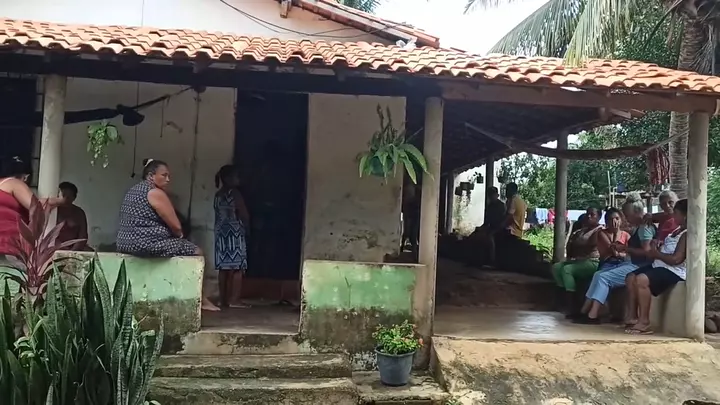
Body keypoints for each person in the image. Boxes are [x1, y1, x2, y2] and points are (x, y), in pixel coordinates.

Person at [116, 158, 220, 311]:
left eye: (168, 176)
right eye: (164, 175)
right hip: (146, 243)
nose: (168, 179)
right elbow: (176, 226)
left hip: (125, 242)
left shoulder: (134, 190)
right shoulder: (155, 192)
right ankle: (202, 299)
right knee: (197, 251)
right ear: (151, 176)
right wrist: (180, 236)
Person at [624, 198, 688, 335]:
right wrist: (658, 243)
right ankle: (632, 317)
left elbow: (676, 259)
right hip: (660, 265)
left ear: (685, 215)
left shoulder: (686, 234)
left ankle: (644, 321)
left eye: (676, 213)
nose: (673, 215)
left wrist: (656, 254)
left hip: (674, 271)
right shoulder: (678, 229)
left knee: (641, 279)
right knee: (630, 277)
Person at [0, 156, 65, 260]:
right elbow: (36, 207)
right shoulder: (14, 183)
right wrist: (61, 200)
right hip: (7, 246)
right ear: (26, 177)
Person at [573, 207, 631, 324]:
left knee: (600, 277)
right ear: (606, 221)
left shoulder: (626, 235)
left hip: (621, 265)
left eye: (617, 219)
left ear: (621, 220)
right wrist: (618, 243)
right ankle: (584, 311)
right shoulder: (602, 233)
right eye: (611, 219)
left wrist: (620, 252)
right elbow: (613, 249)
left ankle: (589, 313)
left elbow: (622, 254)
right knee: (598, 276)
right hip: (607, 264)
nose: (614, 222)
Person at [552, 207, 602, 316]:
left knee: (567, 269)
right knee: (556, 267)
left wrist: (577, 245)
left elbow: (589, 245)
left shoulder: (600, 230)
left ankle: (571, 304)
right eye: (587, 214)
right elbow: (571, 245)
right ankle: (561, 299)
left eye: (592, 215)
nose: (589, 216)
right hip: (580, 260)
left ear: (599, 217)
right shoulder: (582, 230)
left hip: (593, 261)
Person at [214, 165, 250, 309]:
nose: (238, 179)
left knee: (223, 267)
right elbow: (243, 213)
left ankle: (222, 300)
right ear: (228, 178)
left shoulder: (218, 195)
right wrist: (247, 227)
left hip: (221, 234)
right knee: (238, 267)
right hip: (235, 234)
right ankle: (235, 299)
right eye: (236, 176)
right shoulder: (235, 194)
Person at [56, 182, 89, 251]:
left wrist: (72, 251)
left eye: (68, 196)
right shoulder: (53, 211)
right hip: (55, 248)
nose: (65, 199)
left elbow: (83, 236)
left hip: (75, 249)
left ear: (74, 198)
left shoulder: (79, 213)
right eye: (63, 196)